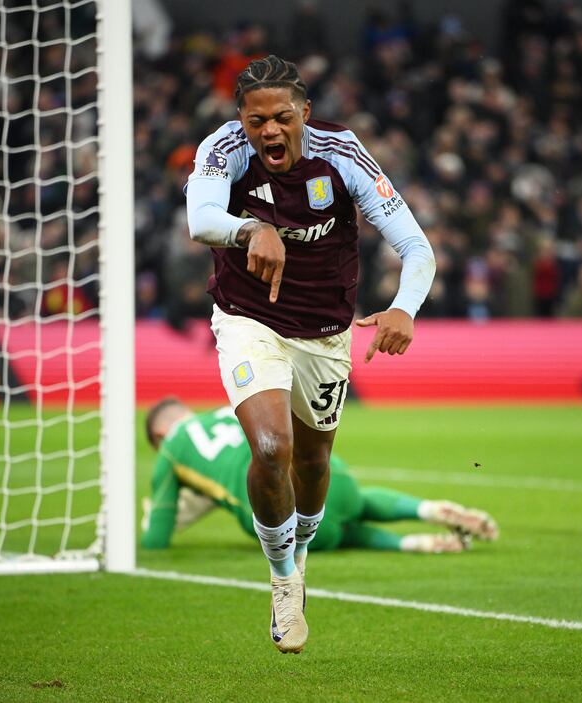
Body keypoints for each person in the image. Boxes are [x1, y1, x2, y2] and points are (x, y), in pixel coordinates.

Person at [184, 55, 435, 653]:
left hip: (325, 331)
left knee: (314, 465)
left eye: (282, 118)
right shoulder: (221, 151)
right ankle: (281, 576)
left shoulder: (343, 155)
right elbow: (200, 219)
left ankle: (299, 553)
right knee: (272, 448)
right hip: (249, 320)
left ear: (305, 114)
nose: (269, 131)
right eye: (256, 120)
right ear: (240, 119)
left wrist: (404, 308)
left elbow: (416, 246)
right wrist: (251, 230)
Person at [140, 399, 499, 555]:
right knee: (353, 501)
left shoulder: (171, 451)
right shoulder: (224, 411)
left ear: (158, 436)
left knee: (335, 533)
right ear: (185, 412)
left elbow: (157, 538)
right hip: (327, 472)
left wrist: (149, 525)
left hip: (278, 512)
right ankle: (426, 508)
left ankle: (407, 544)